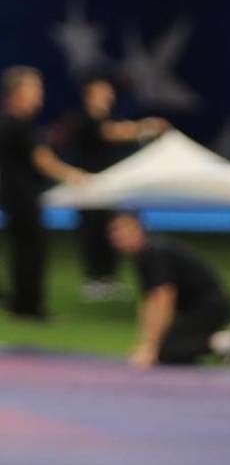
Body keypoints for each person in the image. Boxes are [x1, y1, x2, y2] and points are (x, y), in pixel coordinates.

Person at [108, 212, 230, 368]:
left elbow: (163, 297)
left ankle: (228, 341)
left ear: (138, 227)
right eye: (113, 231)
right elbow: (149, 302)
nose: (117, 236)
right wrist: (143, 343)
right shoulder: (143, 256)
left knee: (165, 351)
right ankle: (221, 346)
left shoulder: (155, 252)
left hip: (208, 307)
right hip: (191, 309)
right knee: (170, 350)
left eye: (121, 229)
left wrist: (151, 346)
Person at [0, 66, 87, 319]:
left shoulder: (11, 123)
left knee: (23, 248)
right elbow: (42, 160)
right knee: (32, 249)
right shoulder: (18, 124)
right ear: (16, 93)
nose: (39, 94)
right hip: (22, 197)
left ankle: (21, 302)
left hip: (15, 196)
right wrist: (73, 175)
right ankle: (29, 306)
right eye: (34, 88)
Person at [73, 77, 169, 300]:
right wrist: (147, 127)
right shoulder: (86, 120)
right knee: (93, 232)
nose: (108, 96)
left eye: (109, 92)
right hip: (89, 186)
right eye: (102, 92)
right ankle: (93, 279)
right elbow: (111, 132)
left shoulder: (106, 119)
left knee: (112, 231)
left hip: (109, 187)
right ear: (89, 96)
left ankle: (109, 278)